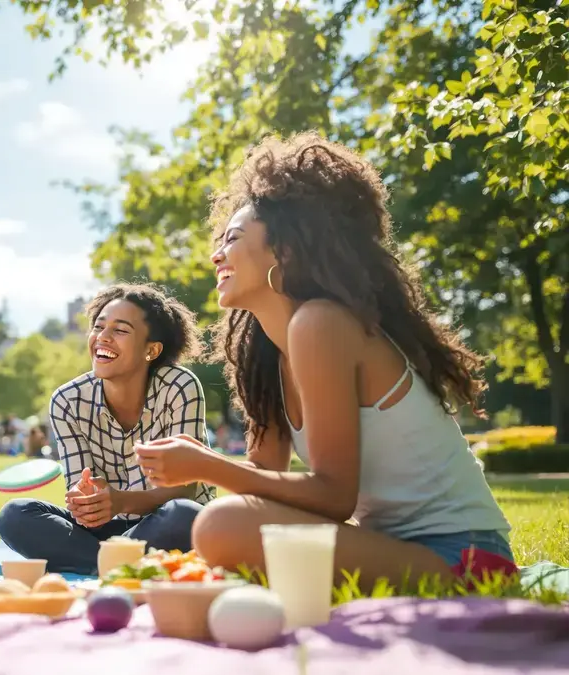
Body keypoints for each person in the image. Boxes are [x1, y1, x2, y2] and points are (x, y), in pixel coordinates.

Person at [134, 132, 512, 588]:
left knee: (222, 526)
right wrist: (200, 457)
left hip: (468, 557)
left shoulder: (322, 324)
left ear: (286, 250)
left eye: (232, 239)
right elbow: (265, 474)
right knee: (222, 523)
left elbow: (334, 496)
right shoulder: (267, 355)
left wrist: (208, 468)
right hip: (389, 548)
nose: (216, 254)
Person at [0, 283, 216, 575]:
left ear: (151, 350)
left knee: (186, 516)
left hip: (162, 521)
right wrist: (86, 499)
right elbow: (84, 496)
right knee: (15, 515)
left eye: (120, 330)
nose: (103, 338)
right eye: (99, 327)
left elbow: (183, 491)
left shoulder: (180, 387)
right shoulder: (67, 400)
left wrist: (121, 500)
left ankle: (98, 563)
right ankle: (117, 565)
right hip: (105, 533)